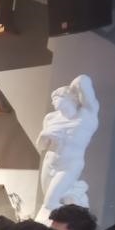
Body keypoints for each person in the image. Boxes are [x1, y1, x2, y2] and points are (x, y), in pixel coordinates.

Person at [35, 75, 99, 221]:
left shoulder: (87, 114)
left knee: (50, 203)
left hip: (69, 165)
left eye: (56, 97)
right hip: (49, 162)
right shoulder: (50, 118)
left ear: (69, 97)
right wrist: (44, 135)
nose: (53, 101)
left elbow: (83, 80)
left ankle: (76, 219)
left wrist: (72, 89)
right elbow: (41, 147)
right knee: (46, 205)